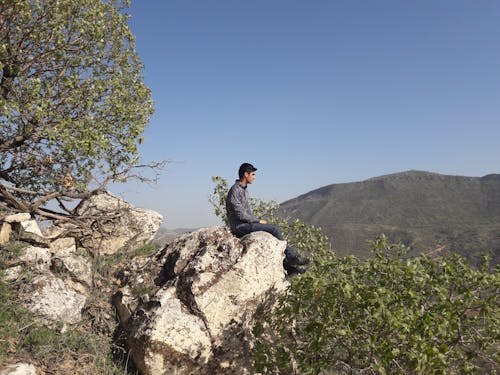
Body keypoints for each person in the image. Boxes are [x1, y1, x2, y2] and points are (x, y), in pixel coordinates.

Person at [226, 162, 310, 275]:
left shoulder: (244, 190)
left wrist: (258, 221)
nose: (254, 177)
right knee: (274, 229)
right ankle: (291, 257)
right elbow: (240, 214)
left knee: (271, 232)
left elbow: (248, 212)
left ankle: (287, 265)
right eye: (253, 174)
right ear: (246, 174)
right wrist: (257, 221)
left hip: (245, 224)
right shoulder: (235, 191)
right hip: (240, 227)